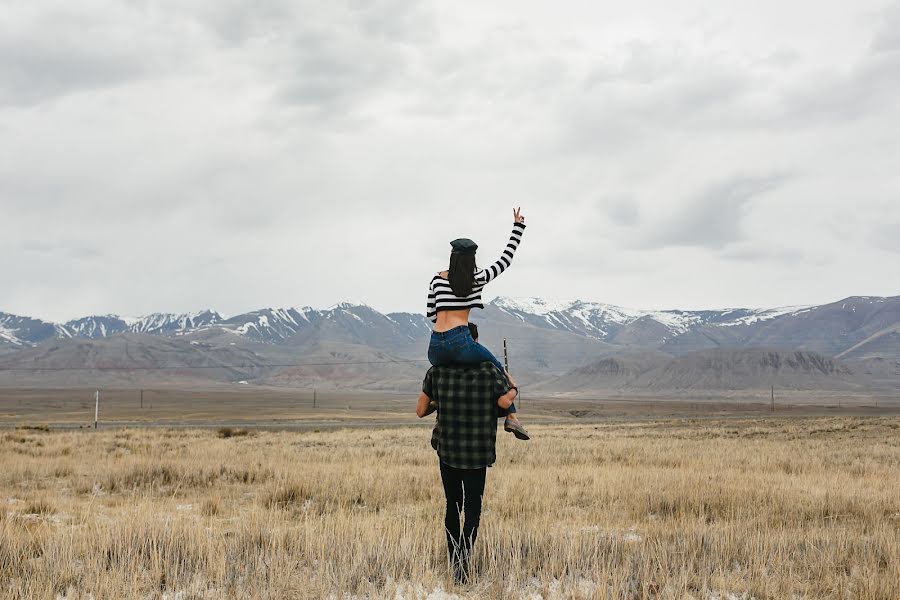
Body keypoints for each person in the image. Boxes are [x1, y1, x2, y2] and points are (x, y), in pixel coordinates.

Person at [426, 208, 529, 440]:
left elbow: (431, 313)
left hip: (434, 347)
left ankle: (439, 418)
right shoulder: (478, 277)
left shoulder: (436, 278)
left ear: (452, 257)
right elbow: (506, 259)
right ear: (472, 258)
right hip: (461, 340)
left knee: (445, 375)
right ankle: (511, 418)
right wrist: (518, 228)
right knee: (497, 370)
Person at [416, 361, 520, 584]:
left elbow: (420, 411)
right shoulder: (491, 371)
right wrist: (514, 388)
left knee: (452, 505)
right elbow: (503, 403)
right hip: (478, 454)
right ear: (476, 343)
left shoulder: (437, 370)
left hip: (449, 451)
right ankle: (464, 562)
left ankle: (455, 563)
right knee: (473, 509)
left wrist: (439, 402)